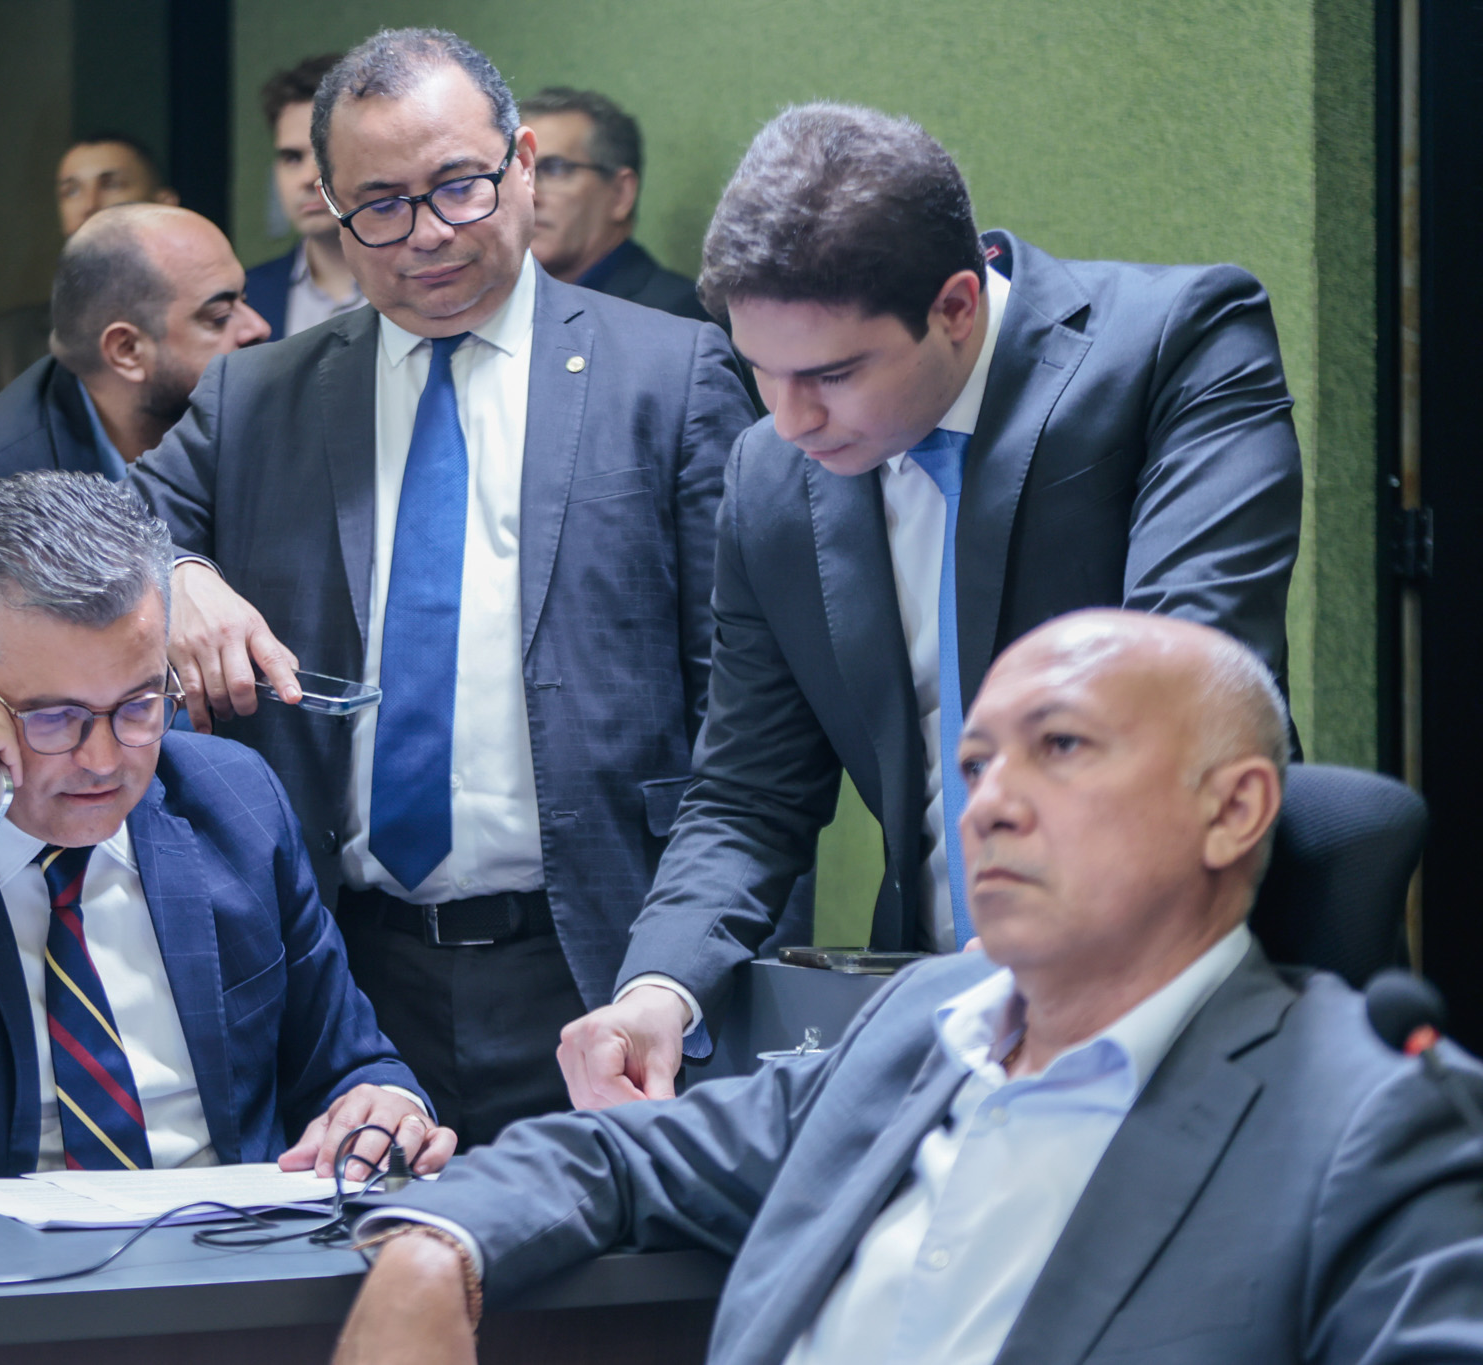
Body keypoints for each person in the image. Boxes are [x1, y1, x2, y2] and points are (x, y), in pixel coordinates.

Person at [335, 611, 1483, 1365]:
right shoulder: (919, 1030)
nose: (988, 804)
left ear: (1230, 810)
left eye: (1061, 747)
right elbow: (618, 1154)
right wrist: (431, 1247)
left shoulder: (1367, 1118)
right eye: (974, 764)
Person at [556, 102, 1303, 1108]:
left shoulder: (1175, 346)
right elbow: (747, 792)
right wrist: (658, 990)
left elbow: (1175, 691)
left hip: (1185, 998)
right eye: (761, 371)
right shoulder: (768, 473)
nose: (789, 418)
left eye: (831, 373)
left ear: (955, 306)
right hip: (937, 1024)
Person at [129, 28, 755, 1147]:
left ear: (523, 164)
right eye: (379, 205)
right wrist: (172, 573)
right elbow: (78, 531)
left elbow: (746, 732)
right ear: (329, 211)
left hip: (602, 969)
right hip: (341, 981)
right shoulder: (255, 400)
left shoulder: (672, 375)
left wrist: (691, 972)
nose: (425, 233)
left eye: (459, 186)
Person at [0, 471, 451, 1185]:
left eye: (138, 705)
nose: (101, 761)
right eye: (53, 717)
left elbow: (350, 1065)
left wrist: (384, 1104)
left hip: (235, 1245)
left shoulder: (236, 802)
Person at [0, 203, 269, 604]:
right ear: (127, 350)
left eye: (245, 299)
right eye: (219, 316)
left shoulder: (258, 426)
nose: (258, 327)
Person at [0, 132, 181, 405]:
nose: (89, 205)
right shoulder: (12, 340)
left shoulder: (202, 325)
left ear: (163, 203)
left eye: (111, 185)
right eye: (71, 191)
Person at [521, 87, 704, 321]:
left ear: (621, 194)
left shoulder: (673, 314)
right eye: (519, 171)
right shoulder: (503, 308)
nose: (529, 194)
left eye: (554, 169)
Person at [243, 53, 366, 339]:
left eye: (326, 154)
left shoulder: (421, 281)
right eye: (292, 157)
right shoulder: (245, 297)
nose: (308, 178)